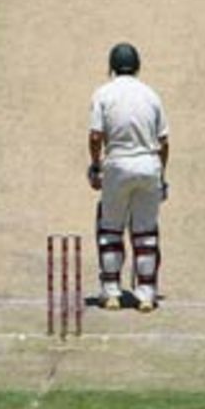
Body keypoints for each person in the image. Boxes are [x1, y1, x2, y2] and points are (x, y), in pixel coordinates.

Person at [87, 42, 169, 313]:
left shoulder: (103, 93)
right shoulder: (151, 95)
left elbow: (96, 135)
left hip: (118, 165)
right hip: (149, 165)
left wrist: (95, 166)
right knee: (145, 233)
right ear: (137, 66)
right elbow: (164, 141)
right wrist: (162, 175)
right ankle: (146, 294)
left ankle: (111, 292)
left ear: (111, 67)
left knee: (110, 228)